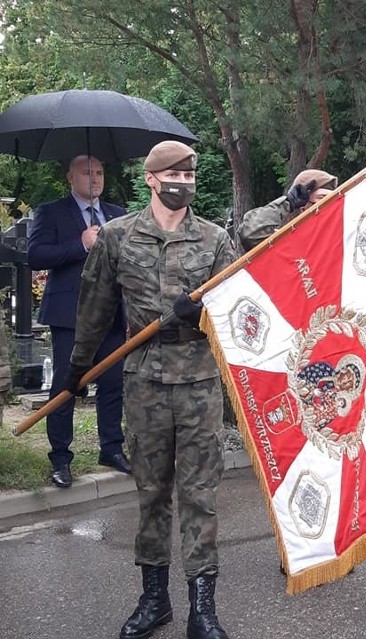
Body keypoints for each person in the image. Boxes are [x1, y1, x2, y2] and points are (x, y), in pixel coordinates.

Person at [65, 141, 235, 639]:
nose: (184, 181)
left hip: (200, 381)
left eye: (190, 173)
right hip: (144, 382)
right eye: (174, 174)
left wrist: (201, 313)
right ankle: (154, 599)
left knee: (200, 494)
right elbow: (94, 307)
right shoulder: (117, 237)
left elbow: (238, 309)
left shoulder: (215, 239)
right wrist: (77, 368)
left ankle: (202, 607)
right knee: (152, 492)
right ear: (151, 179)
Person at [27, 154, 129, 488]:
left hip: (111, 315)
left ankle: (111, 448)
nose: (95, 178)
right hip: (69, 315)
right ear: (70, 177)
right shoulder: (51, 212)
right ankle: (60, 458)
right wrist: (80, 243)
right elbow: (36, 256)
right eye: (87, 172)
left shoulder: (117, 215)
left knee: (113, 382)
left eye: (99, 172)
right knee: (67, 385)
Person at [239, 169, 337, 251]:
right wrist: (288, 203)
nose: (330, 204)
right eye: (322, 198)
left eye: (333, 198)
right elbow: (250, 234)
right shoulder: (290, 241)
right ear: (303, 206)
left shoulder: (343, 237)